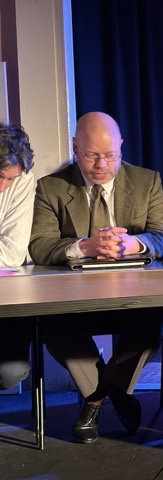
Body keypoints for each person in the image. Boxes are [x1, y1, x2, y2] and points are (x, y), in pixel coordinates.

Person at [29, 111, 163, 444]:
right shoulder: (51, 187)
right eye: (92, 155)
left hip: (132, 296)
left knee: (155, 319)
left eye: (111, 155)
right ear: (75, 148)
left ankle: (94, 401)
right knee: (52, 324)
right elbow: (40, 245)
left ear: (121, 147)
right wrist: (84, 246)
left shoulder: (146, 181)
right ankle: (118, 395)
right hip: (75, 299)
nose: (102, 165)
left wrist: (134, 244)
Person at [0, 122, 36, 391]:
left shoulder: (23, 180)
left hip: (5, 296)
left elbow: (12, 253)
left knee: (9, 373)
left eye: (10, 179)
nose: (3, 186)